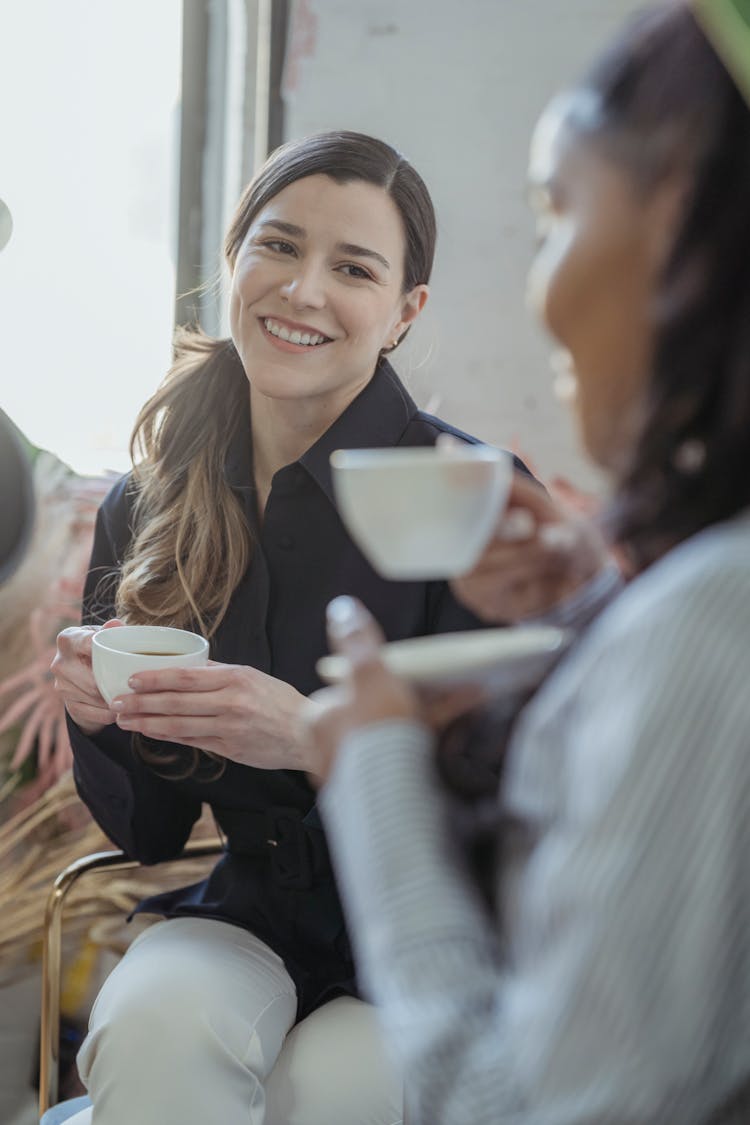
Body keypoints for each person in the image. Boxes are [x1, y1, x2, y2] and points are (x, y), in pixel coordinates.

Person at [308, 5, 750, 1122]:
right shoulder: (682, 601)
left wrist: (374, 772)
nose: (536, 287)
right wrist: (593, 618)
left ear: (684, 215)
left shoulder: (712, 616)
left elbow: (515, 1105)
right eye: (275, 244)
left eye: (554, 210)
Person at [51, 131, 512, 1125]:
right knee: (145, 1027)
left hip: (439, 933)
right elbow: (152, 830)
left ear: (403, 313)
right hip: (252, 912)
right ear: (234, 260)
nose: (303, 291)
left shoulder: (473, 496)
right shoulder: (149, 501)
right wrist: (99, 715)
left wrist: (313, 739)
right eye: (278, 246)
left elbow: (525, 800)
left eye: (352, 267)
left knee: (338, 1088)